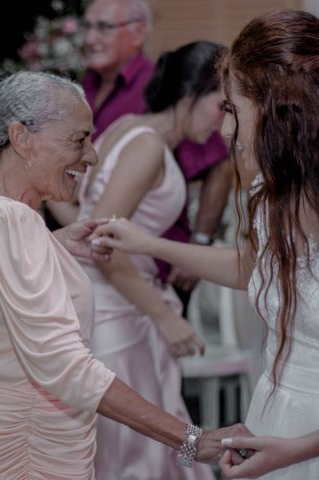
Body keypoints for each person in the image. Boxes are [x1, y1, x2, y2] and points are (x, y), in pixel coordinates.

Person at [91, 10, 319, 479]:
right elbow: (258, 268)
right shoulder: (270, 197)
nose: (225, 131)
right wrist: (149, 243)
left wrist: (301, 449)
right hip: (276, 422)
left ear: (283, 113)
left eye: (233, 111)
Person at [0, 71, 245, 480]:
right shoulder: (11, 220)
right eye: (78, 139)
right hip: (32, 440)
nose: (92, 156)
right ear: (22, 138)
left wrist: (51, 244)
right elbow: (66, 367)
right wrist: (192, 439)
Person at [49, 40, 225, 479]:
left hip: (108, 301)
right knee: (131, 448)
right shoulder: (147, 147)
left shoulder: (127, 126)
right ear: (190, 96)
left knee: (127, 443)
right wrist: (165, 318)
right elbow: (104, 245)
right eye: (221, 105)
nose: (225, 121)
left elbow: (84, 220)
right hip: (119, 310)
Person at [79, 0, 233, 308]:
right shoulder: (141, 131)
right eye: (88, 27)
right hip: (121, 287)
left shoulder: (144, 112)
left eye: (104, 27)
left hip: (148, 273)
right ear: (192, 95)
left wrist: (199, 242)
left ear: (138, 33)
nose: (90, 38)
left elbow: (220, 166)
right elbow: (97, 228)